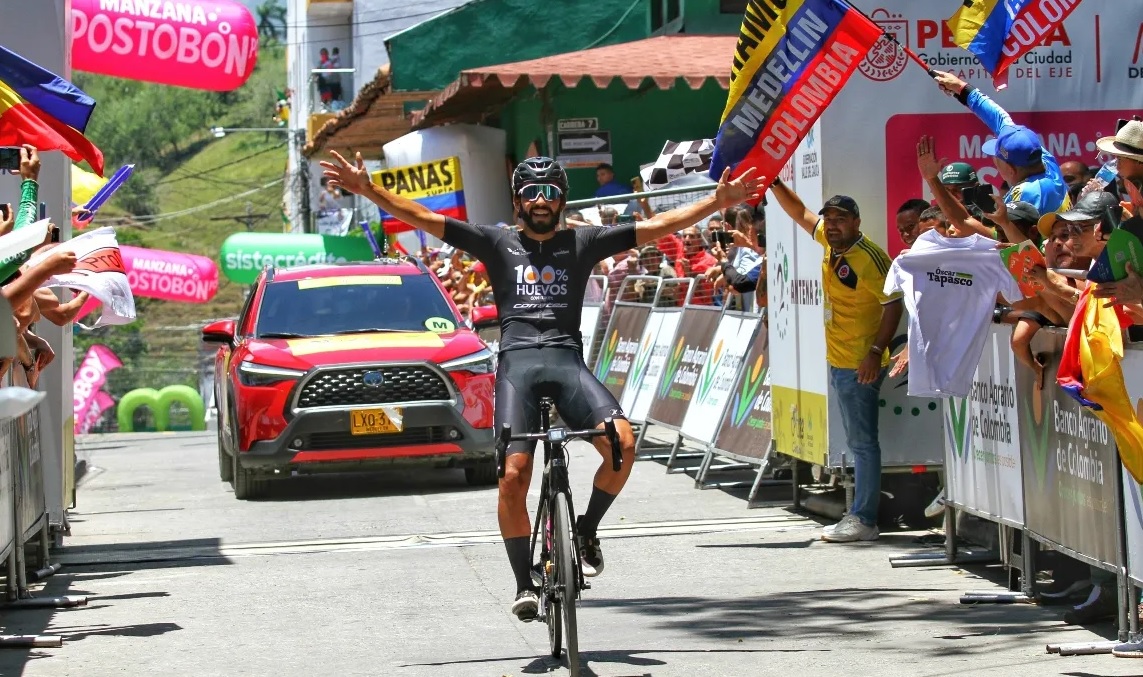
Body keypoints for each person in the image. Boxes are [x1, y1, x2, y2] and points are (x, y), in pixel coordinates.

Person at [321, 151, 762, 620]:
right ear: (517, 200)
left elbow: (656, 228)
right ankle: (522, 581)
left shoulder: (583, 242)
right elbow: (426, 218)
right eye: (531, 193)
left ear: (562, 200)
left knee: (623, 445)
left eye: (550, 192)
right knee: (512, 478)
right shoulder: (495, 242)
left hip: (566, 363)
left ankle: (587, 529)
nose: (540, 201)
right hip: (517, 368)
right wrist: (368, 189)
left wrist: (717, 202)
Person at [767, 180, 904, 542]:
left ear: (856, 222)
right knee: (858, 443)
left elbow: (894, 306)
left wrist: (874, 354)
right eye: (829, 218)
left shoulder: (870, 258)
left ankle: (864, 520)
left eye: (841, 218)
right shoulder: (830, 242)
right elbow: (798, 212)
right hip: (840, 361)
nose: (832, 224)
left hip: (860, 364)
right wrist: (773, 181)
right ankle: (859, 515)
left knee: (863, 443)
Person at [931, 71, 1069, 216]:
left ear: (1010, 169)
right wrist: (961, 88)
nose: (993, 161)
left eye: (997, 158)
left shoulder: (1028, 193)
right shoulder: (1045, 162)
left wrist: (931, 179)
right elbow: (999, 118)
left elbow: (1010, 238)